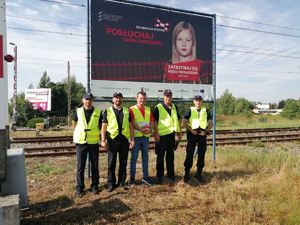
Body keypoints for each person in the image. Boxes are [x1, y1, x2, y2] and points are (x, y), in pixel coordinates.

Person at [101, 92, 134, 192]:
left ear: (122, 99)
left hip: (124, 140)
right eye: (116, 98)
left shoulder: (127, 110)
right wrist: (103, 140)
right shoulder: (108, 111)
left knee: (123, 163)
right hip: (112, 140)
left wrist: (132, 139)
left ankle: (121, 182)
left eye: (119, 98)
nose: (118, 100)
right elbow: (103, 127)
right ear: (112, 99)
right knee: (111, 163)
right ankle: (111, 183)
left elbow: (131, 126)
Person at [72, 93, 102, 197]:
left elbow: (100, 125)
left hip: (93, 142)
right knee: (81, 166)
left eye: (90, 99)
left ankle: (94, 185)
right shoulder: (77, 111)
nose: (88, 101)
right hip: (81, 142)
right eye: (86, 99)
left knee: (95, 165)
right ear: (83, 100)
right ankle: (79, 187)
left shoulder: (98, 111)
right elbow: (74, 124)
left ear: (92, 100)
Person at [153, 89, 182, 184]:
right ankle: (159, 176)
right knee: (160, 157)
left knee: (170, 156)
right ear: (163, 97)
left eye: (170, 96)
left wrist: (179, 131)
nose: (168, 98)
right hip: (161, 136)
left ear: (171, 97)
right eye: (166, 96)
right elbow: (154, 122)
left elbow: (177, 119)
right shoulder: (158, 107)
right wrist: (156, 134)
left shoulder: (174, 106)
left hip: (171, 135)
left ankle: (170, 174)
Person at [183, 95, 213, 183]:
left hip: (202, 134)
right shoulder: (190, 110)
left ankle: (199, 174)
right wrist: (191, 130)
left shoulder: (206, 110)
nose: (198, 102)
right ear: (194, 101)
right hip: (192, 134)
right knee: (189, 153)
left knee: (201, 154)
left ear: (202, 102)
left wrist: (206, 131)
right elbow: (184, 122)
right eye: (196, 100)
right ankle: (187, 174)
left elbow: (211, 123)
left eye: (199, 100)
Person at [129, 91, 154, 185]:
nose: (142, 100)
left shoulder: (148, 109)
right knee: (134, 158)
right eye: (140, 98)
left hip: (145, 137)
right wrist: (141, 130)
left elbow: (151, 121)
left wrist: (150, 129)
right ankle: (132, 179)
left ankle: (145, 177)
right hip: (136, 137)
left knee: (145, 158)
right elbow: (132, 123)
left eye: (144, 98)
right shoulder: (132, 109)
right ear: (137, 99)